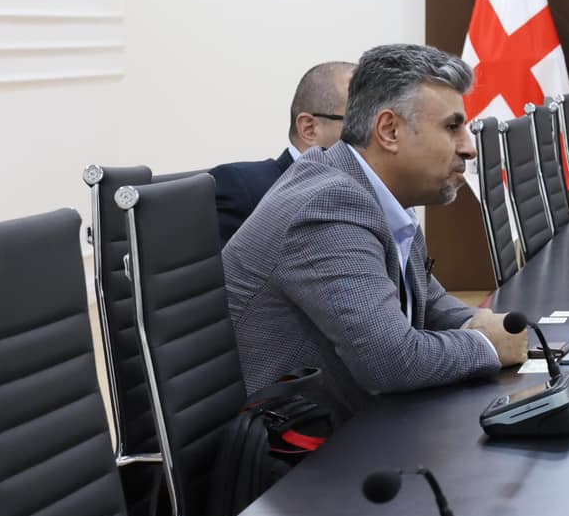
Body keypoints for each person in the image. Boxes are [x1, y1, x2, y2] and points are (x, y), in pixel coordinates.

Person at [224, 44, 530, 422]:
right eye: (452, 127)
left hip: (358, 422)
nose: (469, 148)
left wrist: (478, 322)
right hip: (300, 446)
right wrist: (487, 345)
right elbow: (392, 362)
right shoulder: (329, 205)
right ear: (389, 130)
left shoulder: (375, 191)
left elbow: (428, 301)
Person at [209, 60, 352, 244]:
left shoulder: (370, 195)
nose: (375, 137)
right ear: (309, 129)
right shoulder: (242, 189)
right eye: (358, 122)